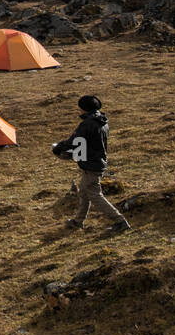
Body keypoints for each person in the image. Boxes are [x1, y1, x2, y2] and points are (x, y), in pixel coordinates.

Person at [51, 95, 130, 233]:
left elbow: (74, 141)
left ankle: (120, 221)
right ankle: (78, 221)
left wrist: (59, 147)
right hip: (97, 161)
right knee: (84, 192)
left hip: (91, 164)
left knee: (94, 195)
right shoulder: (102, 121)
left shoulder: (88, 124)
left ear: (84, 109)